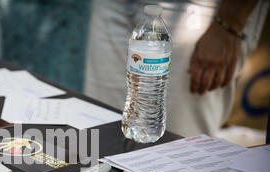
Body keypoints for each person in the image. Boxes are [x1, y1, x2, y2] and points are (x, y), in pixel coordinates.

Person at [84, 0, 269, 137]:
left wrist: (229, 23)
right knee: (104, 130)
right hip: (114, 5)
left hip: (200, 8)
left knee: (182, 145)